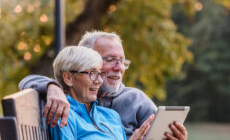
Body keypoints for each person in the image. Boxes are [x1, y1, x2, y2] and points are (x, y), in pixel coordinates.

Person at [19, 31, 188, 140]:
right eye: (110, 59)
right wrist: (52, 87)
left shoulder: (130, 103)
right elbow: (27, 81)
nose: (119, 67)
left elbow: (158, 134)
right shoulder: (65, 106)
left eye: (122, 61)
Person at [50, 46, 130, 139]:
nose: (99, 81)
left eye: (100, 73)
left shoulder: (111, 116)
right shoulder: (64, 115)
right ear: (68, 78)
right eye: (92, 73)